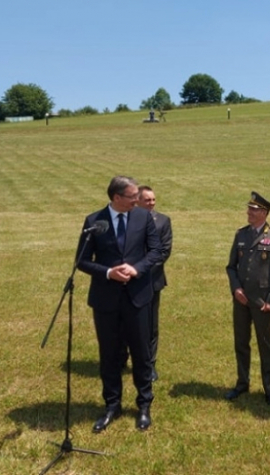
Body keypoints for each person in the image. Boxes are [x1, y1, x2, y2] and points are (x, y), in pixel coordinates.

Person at [77, 175, 165, 432]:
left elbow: (156, 251)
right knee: (109, 355)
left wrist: (136, 269)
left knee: (141, 354)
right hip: (106, 300)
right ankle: (112, 405)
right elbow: (82, 260)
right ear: (116, 197)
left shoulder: (143, 218)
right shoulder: (94, 221)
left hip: (138, 298)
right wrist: (108, 272)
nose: (138, 200)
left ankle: (144, 405)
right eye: (133, 196)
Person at [225, 192, 270, 406]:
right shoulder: (241, 234)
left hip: (262, 301)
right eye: (249, 208)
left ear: (264, 212)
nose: (249, 212)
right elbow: (231, 267)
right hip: (241, 299)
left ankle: (269, 389)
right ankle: (242, 383)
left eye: (253, 210)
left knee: (265, 344)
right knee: (241, 342)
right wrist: (236, 289)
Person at [136, 185, 172, 381]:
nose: (151, 203)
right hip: (127, 280)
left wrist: (140, 271)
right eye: (147, 200)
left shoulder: (163, 221)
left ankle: (149, 365)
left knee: (150, 325)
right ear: (138, 201)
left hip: (151, 280)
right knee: (125, 322)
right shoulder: (128, 219)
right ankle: (122, 358)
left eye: (153, 199)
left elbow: (164, 252)